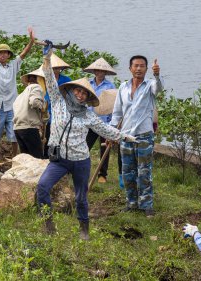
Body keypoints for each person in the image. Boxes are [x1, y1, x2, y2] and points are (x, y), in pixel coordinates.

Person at [36, 41, 135, 240]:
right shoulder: (57, 101)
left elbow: (105, 129)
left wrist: (126, 137)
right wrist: (47, 57)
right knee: (42, 187)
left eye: (84, 93)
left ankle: (84, 229)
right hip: (59, 159)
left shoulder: (88, 115)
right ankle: (48, 223)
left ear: (87, 97)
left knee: (81, 196)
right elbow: (49, 77)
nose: (80, 95)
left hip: (81, 160)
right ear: (71, 91)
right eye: (78, 91)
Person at [110, 55, 163, 217]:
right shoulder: (123, 87)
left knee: (144, 171)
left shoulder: (150, 86)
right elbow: (117, 112)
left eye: (142, 66)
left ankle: (147, 204)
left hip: (144, 136)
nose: (139, 69)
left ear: (146, 69)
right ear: (130, 68)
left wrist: (157, 75)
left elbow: (159, 88)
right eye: (136, 66)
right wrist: (112, 131)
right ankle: (131, 202)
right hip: (125, 136)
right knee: (128, 171)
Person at [0, 20, 35, 166]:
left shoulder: (13, 65)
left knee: (14, 132)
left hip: (11, 105)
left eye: (5, 53)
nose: (3, 55)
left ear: (8, 55)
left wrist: (31, 41)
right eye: (0, 53)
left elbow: (23, 54)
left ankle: (13, 158)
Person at [83, 58, 117, 184]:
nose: (99, 72)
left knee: (105, 149)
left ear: (105, 72)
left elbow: (113, 105)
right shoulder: (88, 84)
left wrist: (111, 123)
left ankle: (102, 174)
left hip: (104, 122)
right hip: (89, 122)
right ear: (94, 71)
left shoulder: (110, 86)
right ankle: (81, 169)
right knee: (84, 147)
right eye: (97, 70)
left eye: (102, 71)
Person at [13, 68, 47, 159]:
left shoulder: (21, 95)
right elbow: (34, 102)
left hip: (18, 128)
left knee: (26, 159)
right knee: (37, 159)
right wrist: (43, 108)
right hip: (29, 128)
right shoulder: (36, 87)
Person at [43, 53, 72, 158]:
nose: (56, 70)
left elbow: (71, 95)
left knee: (62, 138)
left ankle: (61, 159)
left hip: (62, 113)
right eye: (54, 68)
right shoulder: (45, 79)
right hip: (48, 111)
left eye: (58, 68)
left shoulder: (66, 80)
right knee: (48, 137)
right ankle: (47, 159)